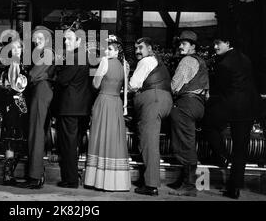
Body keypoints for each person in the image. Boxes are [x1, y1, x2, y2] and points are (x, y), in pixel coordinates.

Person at [203, 36, 262, 199]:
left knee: (208, 125)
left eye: (218, 43)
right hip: (249, 108)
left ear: (228, 43)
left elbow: (220, 90)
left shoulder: (223, 64)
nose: (215, 46)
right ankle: (234, 188)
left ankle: (222, 156)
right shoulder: (245, 58)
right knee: (240, 149)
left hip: (231, 106)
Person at [84, 34, 131, 191]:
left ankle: (98, 180)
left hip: (104, 101)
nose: (106, 52)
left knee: (99, 137)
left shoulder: (104, 61)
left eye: (109, 49)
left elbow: (96, 84)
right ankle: (115, 182)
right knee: (113, 138)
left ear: (117, 50)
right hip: (116, 103)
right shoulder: (125, 64)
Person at [129, 37, 173, 196]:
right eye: (136, 48)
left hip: (153, 101)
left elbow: (133, 84)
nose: (137, 51)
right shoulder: (158, 62)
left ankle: (151, 184)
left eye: (141, 47)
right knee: (149, 141)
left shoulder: (146, 61)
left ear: (149, 49)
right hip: (163, 100)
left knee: (149, 143)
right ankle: (149, 179)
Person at [167, 31, 209, 197]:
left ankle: (190, 185)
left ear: (193, 47)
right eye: (180, 43)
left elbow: (175, 85)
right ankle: (185, 180)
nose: (180, 46)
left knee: (184, 144)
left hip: (186, 104)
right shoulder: (201, 61)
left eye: (184, 44)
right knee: (188, 142)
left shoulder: (187, 60)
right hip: (198, 104)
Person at [19, 26, 55, 189]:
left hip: (41, 91)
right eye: (35, 39)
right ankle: (35, 174)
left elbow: (33, 75)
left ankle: (35, 176)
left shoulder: (47, 53)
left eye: (39, 38)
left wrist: (20, 73)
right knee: (36, 132)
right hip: (41, 91)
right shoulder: (45, 53)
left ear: (47, 39)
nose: (36, 41)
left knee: (37, 133)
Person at [56, 26, 92, 189]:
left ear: (79, 41)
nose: (65, 41)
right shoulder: (83, 56)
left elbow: (62, 80)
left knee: (68, 144)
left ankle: (70, 180)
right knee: (74, 143)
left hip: (70, 107)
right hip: (80, 107)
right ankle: (72, 177)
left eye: (69, 38)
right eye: (65, 38)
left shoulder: (74, 57)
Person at [0, 39, 28, 185]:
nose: (17, 50)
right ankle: (8, 175)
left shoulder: (22, 66)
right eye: (14, 48)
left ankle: (9, 174)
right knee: (11, 140)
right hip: (11, 107)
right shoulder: (10, 67)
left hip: (21, 107)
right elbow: (14, 87)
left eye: (19, 48)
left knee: (18, 141)